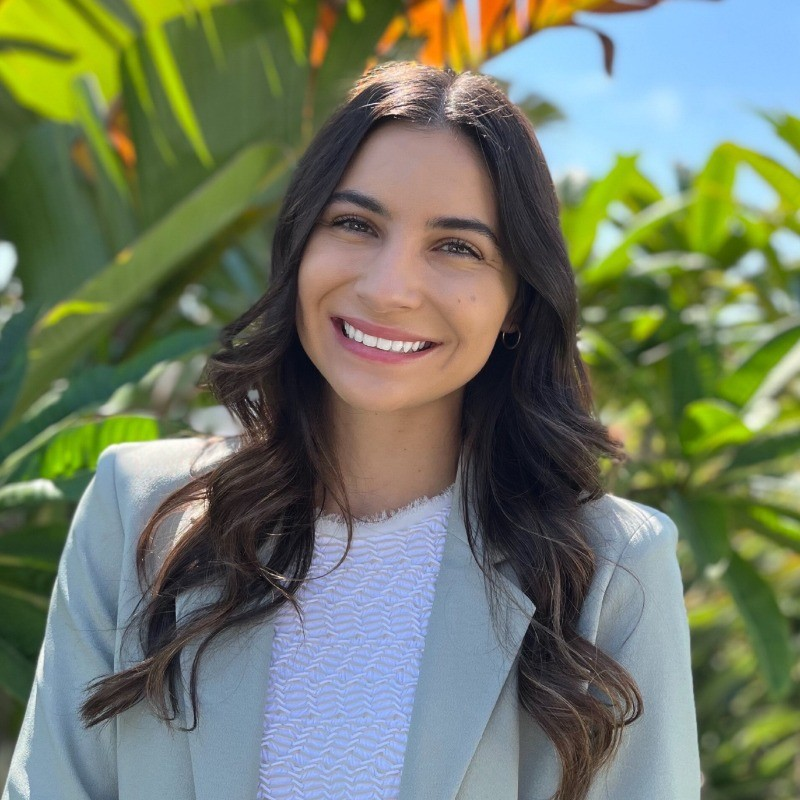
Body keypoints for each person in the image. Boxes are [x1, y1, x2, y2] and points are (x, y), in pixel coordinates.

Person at [2, 61, 700, 800]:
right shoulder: (139, 509)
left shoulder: (611, 569)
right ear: (300, 246)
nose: (388, 288)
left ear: (519, 303)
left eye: (457, 246)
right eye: (355, 224)